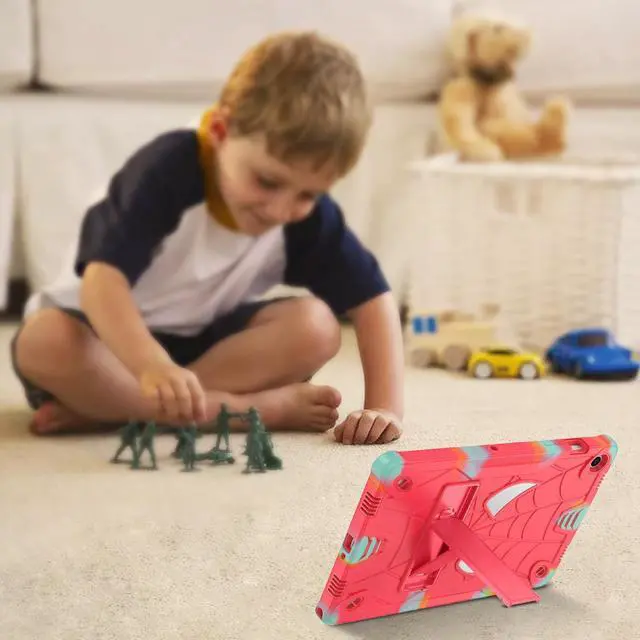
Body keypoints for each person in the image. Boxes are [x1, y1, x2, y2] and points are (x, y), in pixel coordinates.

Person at [10, 31, 404, 445]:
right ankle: (245, 412)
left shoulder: (302, 214)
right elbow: (101, 284)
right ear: (220, 130)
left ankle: (117, 410)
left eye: (308, 195)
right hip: (103, 339)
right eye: (266, 182)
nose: (280, 210)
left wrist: (385, 408)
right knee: (44, 340)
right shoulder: (168, 169)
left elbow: (372, 299)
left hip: (203, 350)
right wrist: (151, 366)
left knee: (317, 326)